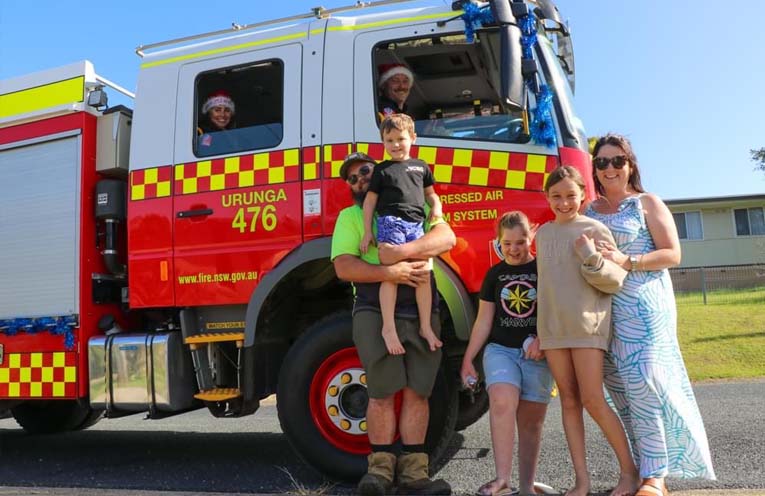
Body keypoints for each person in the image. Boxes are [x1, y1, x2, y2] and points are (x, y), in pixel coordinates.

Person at [585, 134, 716, 496]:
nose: (609, 168)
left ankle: (655, 477)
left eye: (617, 161)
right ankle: (636, 472)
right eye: (602, 162)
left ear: (630, 165)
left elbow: (672, 253)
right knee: (619, 392)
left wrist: (627, 260)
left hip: (643, 307)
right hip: (602, 312)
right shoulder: (588, 210)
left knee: (645, 383)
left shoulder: (646, 203)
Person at [331, 152, 455, 496]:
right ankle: (380, 474)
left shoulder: (416, 204)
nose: (360, 180)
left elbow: (446, 238)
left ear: (382, 172)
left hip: (421, 310)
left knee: (419, 391)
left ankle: (415, 476)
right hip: (373, 310)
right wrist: (390, 273)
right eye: (353, 178)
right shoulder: (350, 217)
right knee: (382, 392)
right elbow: (343, 266)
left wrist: (397, 255)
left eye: (365, 171)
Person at [535, 166, 640, 496]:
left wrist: (591, 256)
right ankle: (581, 482)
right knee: (568, 401)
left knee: (593, 399)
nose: (564, 202)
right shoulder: (543, 234)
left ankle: (630, 473)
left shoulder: (594, 229)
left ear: (583, 195)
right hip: (553, 331)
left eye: (570, 195)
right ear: (547, 197)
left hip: (587, 327)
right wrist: (539, 332)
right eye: (556, 196)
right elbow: (545, 286)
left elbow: (615, 281)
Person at [459, 211, 553, 496]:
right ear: (498, 241)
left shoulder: (544, 270)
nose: (514, 249)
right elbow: (483, 321)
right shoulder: (494, 275)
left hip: (537, 355)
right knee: (501, 401)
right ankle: (502, 479)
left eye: (520, 242)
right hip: (501, 350)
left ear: (531, 236)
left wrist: (543, 339)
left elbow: (554, 312)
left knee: (531, 422)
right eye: (507, 243)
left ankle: (526, 486)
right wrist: (468, 359)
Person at [360, 114, 444, 356]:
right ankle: (388, 327)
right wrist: (367, 232)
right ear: (383, 143)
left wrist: (437, 208)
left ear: (413, 138)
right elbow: (370, 202)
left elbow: (431, 194)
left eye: (401, 139)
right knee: (391, 273)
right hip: (391, 223)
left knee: (423, 274)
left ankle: (425, 326)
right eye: (389, 140)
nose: (395, 145)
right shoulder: (382, 170)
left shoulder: (421, 167)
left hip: (416, 226)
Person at [197, 90, 238, 154]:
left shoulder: (236, 132)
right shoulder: (201, 133)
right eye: (217, 110)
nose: (222, 115)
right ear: (209, 113)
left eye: (227, 110)